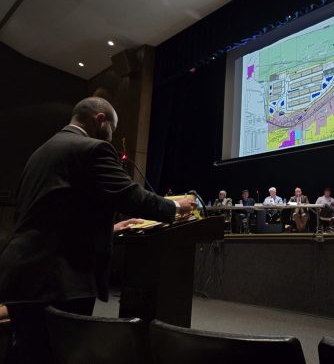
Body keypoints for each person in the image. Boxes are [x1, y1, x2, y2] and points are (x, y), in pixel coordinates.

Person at [0, 97, 194, 364]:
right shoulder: (92, 148)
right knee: (58, 354)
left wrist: (111, 228)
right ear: (100, 120)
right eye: (112, 129)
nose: (112, 136)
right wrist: (173, 207)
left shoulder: (43, 151)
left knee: (27, 351)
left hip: (21, 271)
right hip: (56, 278)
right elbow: (128, 195)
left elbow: (48, 212)